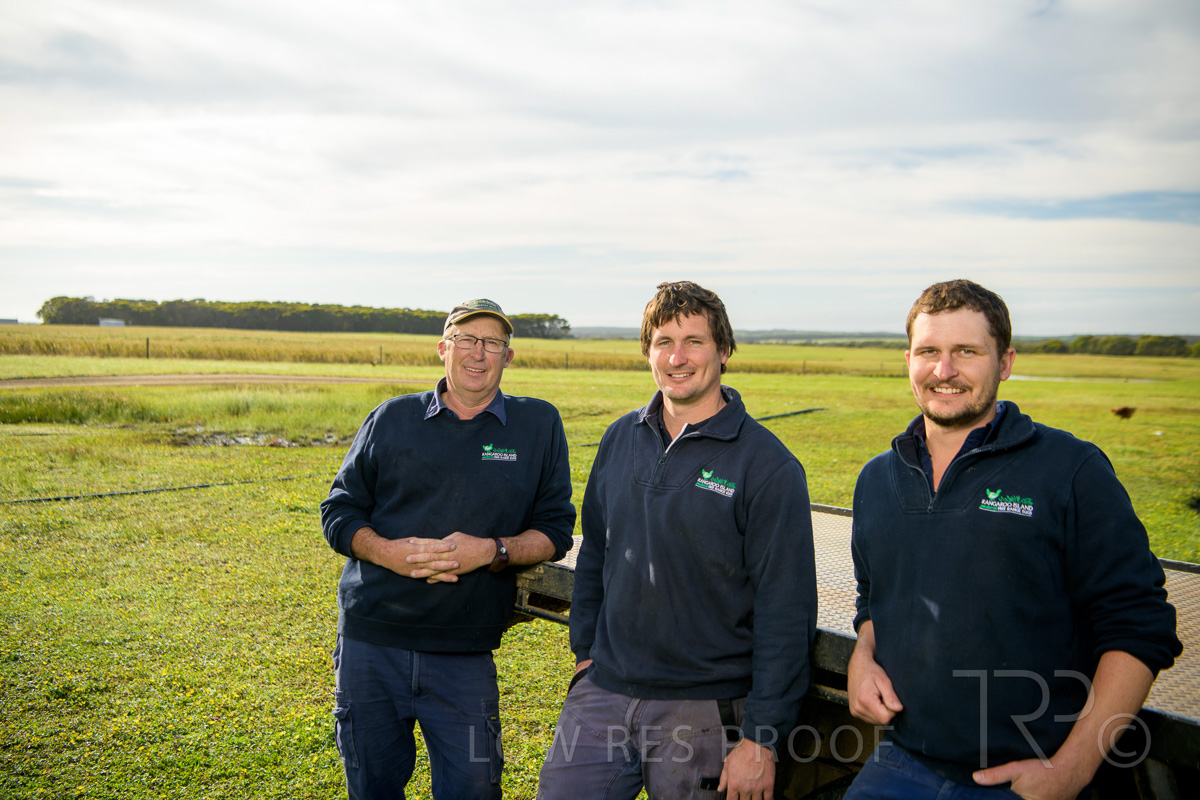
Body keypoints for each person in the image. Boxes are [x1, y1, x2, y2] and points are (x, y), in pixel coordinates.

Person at [845, 279, 1182, 800]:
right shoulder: (877, 479)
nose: (944, 370)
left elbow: (1140, 625)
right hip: (900, 762)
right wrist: (862, 656)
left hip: (1027, 776)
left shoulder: (1070, 470)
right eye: (929, 352)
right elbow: (874, 598)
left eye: (967, 351)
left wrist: (1072, 769)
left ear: (1005, 363)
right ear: (908, 360)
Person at [538, 281, 817, 800]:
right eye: (664, 342)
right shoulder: (620, 438)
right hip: (604, 691)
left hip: (704, 707)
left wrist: (761, 738)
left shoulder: (767, 464)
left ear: (724, 350)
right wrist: (585, 655)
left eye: (694, 341)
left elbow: (786, 607)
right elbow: (596, 553)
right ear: (648, 352)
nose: (677, 357)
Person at [320, 298, 576, 800]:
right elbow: (339, 513)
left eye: (493, 343)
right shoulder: (391, 418)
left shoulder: (537, 424)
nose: (478, 353)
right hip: (372, 642)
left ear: (508, 356)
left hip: (464, 649)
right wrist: (388, 553)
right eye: (466, 339)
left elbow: (555, 530)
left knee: (473, 788)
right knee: (371, 787)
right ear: (443, 348)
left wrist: (492, 551)